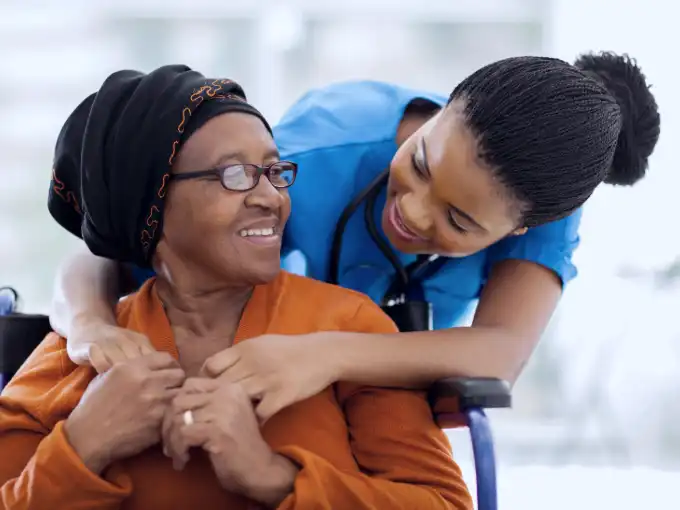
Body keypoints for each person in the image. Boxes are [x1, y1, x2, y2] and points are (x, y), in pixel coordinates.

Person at [51, 52, 661, 422]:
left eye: (459, 222)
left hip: (351, 413)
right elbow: (98, 254)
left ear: (522, 228)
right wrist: (91, 326)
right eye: (419, 164)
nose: (415, 215)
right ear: (444, 109)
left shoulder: (542, 204)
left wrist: (325, 352)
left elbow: (500, 352)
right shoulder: (315, 155)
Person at [0, 66, 472, 509]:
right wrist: (84, 445)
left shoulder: (346, 326)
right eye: (234, 175)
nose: (271, 197)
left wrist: (271, 476)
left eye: (273, 171)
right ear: (152, 205)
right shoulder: (79, 355)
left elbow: (443, 503)